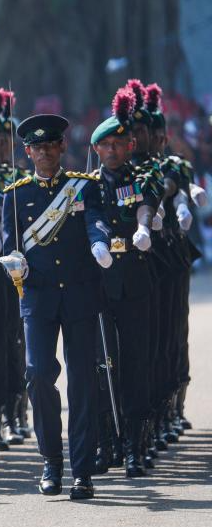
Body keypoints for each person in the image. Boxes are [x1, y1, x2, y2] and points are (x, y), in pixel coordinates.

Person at [0, 114, 110, 500]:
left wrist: (100, 242)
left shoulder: (83, 187)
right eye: (37, 147)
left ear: (62, 146)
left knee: (82, 380)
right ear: (27, 152)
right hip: (38, 296)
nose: (44, 152)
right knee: (37, 374)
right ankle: (51, 460)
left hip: (79, 294)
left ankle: (82, 470)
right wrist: (12, 261)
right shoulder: (15, 195)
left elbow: (96, 221)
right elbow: (11, 243)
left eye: (50, 145)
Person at [89, 89, 159, 477]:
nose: (113, 150)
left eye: (119, 144)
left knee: (135, 363)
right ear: (96, 149)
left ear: (130, 145)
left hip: (134, 278)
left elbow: (147, 204)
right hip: (99, 283)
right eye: (106, 145)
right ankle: (107, 442)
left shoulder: (142, 178)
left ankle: (136, 444)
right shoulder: (86, 185)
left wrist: (143, 229)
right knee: (101, 365)